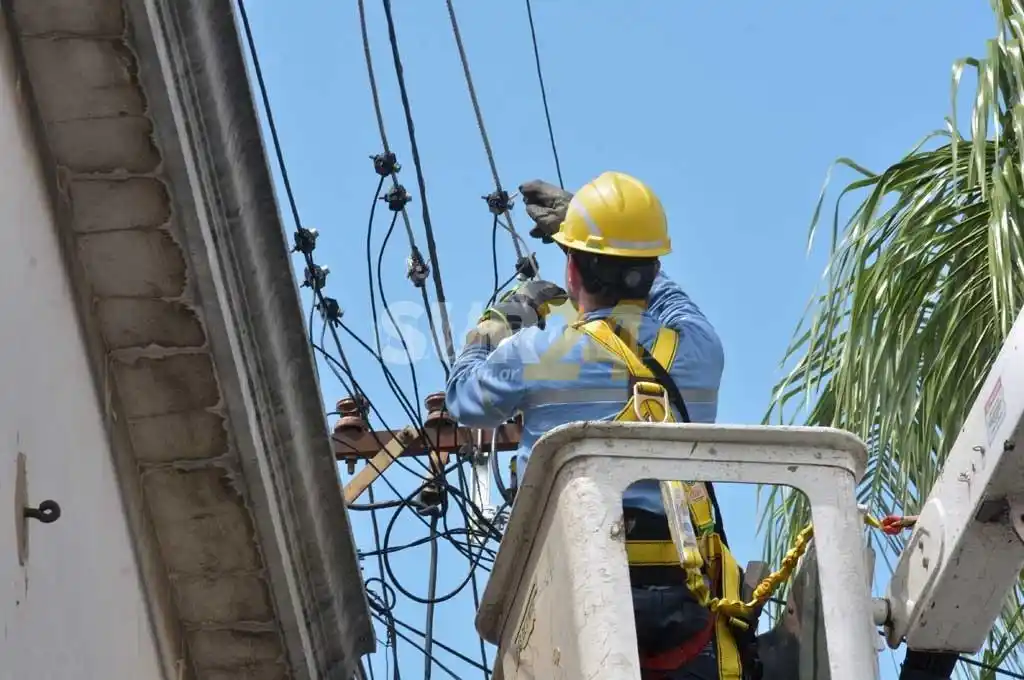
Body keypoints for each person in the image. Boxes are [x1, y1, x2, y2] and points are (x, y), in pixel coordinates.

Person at [444, 171, 756, 679]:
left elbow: (464, 398)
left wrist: (495, 323)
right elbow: (670, 299)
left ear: (571, 270)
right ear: (653, 268)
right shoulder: (700, 350)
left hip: (576, 591)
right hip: (687, 602)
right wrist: (601, 231)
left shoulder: (538, 354)